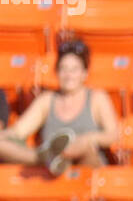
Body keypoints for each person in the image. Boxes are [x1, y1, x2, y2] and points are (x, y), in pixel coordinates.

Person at [0, 38, 119, 177]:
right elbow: (19, 131)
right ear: (57, 71)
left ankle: (61, 160)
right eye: (64, 69)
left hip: (86, 165)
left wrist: (87, 140)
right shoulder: (47, 100)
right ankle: (45, 158)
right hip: (48, 162)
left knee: (86, 149)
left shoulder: (97, 98)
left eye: (74, 69)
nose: (69, 75)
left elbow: (112, 135)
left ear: (84, 73)